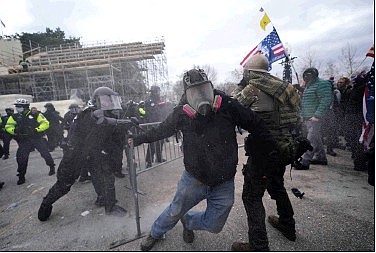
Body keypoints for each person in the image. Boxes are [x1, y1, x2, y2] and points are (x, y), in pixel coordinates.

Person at [132, 68, 279, 251]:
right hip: (194, 179)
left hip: (223, 181)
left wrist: (271, 148)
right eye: (195, 92)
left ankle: (188, 220)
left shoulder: (227, 105)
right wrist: (136, 139)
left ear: (211, 87)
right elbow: (160, 131)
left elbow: (255, 123)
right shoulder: (181, 113)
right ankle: (154, 233)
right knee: (174, 211)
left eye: (204, 89)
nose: (201, 96)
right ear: (186, 95)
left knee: (214, 225)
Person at [231, 53, 301, 251]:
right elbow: (298, 117)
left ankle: (258, 246)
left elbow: (234, 108)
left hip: (263, 150)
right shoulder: (286, 87)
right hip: (286, 147)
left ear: (250, 72)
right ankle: (287, 225)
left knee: (251, 197)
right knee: (277, 185)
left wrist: (240, 85)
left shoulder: (253, 88)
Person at [38, 87, 134, 221]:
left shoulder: (106, 113)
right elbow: (102, 122)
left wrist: (127, 130)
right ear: (97, 100)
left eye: (112, 100)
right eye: (107, 100)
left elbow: (111, 132)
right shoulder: (90, 113)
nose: (110, 104)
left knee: (106, 177)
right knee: (64, 184)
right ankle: (46, 203)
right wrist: (123, 122)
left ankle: (108, 205)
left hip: (93, 152)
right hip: (76, 153)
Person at [5, 98, 55, 185]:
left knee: (45, 153)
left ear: (25, 107)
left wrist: (37, 129)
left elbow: (45, 123)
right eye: (16, 106)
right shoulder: (14, 116)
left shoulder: (36, 114)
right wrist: (14, 131)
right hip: (24, 140)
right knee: (21, 158)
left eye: (19, 106)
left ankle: (51, 166)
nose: (17, 108)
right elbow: (8, 126)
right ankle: (21, 175)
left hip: (37, 138)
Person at [293, 68, 333, 170]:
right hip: (308, 117)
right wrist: (302, 115)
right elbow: (305, 102)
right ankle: (321, 157)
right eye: (305, 76)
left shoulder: (322, 84)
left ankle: (305, 161)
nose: (306, 77)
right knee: (316, 137)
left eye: (309, 75)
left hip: (316, 118)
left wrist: (317, 115)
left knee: (310, 139)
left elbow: (326, 100)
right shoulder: (308, 86)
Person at [62, 103, 91, 182]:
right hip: (75, 140)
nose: (76, 110)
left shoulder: (78, 115)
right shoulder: (70, 116)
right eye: (74, 108)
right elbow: (66, 127)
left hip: (73, 139)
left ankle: (79, 176)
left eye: (77, 108)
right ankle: (81, 177)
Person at [144, 85, 166, 168]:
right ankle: (149, 161)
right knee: (152, 143)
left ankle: (159, 158)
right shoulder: (148, 101)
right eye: (157, 91)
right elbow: (149, 113)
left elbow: (162, 111)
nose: (158, 93)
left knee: (160, 142)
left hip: (160, 123)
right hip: (152, 124)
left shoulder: (159, 100)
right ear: (153, 92)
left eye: (158, 91)